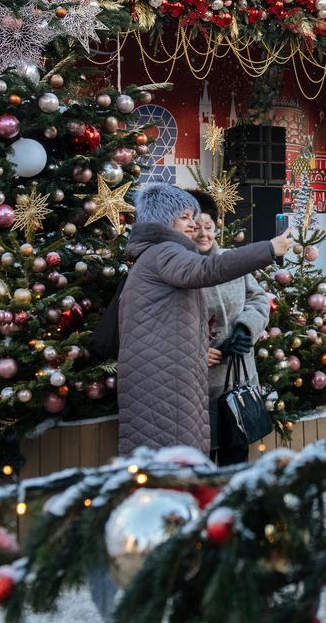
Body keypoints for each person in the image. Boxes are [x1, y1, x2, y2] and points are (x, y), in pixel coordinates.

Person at [116, 182, 294, 456]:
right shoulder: (174, 256)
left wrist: (246, 329)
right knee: (193, 461)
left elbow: (257, 300)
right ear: (165, 219)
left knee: (229, 456)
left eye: (203, 223)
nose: (196, 228)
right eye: (187, 219)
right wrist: (269, 249)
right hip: (190, 381)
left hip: (232, 375)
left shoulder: (170, 255)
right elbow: (206, 273)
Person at [189, 191, 272, 465]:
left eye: (209, 227)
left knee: (235, 459)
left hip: (237, 379)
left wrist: (245, 330)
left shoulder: (231, 260)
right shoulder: (178, 268)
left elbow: (258, 298)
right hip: (197, 387)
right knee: (198, 464)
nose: (203, 234)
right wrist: (196, 350)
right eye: (196, 227)